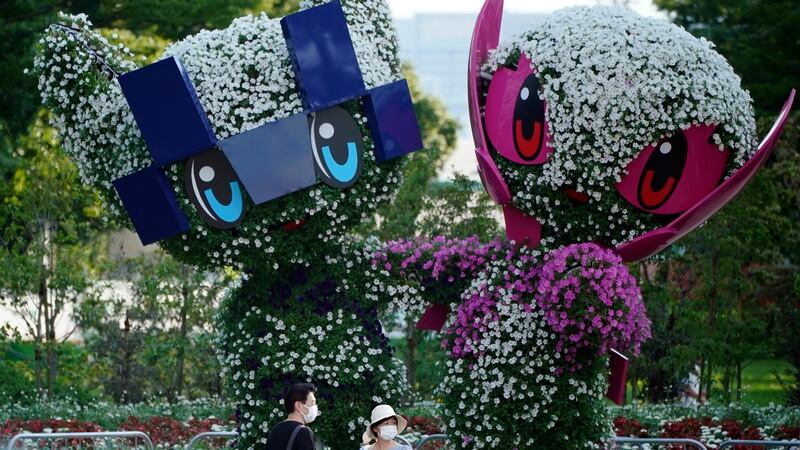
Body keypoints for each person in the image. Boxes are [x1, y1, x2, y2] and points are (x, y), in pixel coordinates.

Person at [266, 383, 319, 450]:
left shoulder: (275, 430)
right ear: (298, 406)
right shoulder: (303, 432)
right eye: (313, 402)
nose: (315, 407)